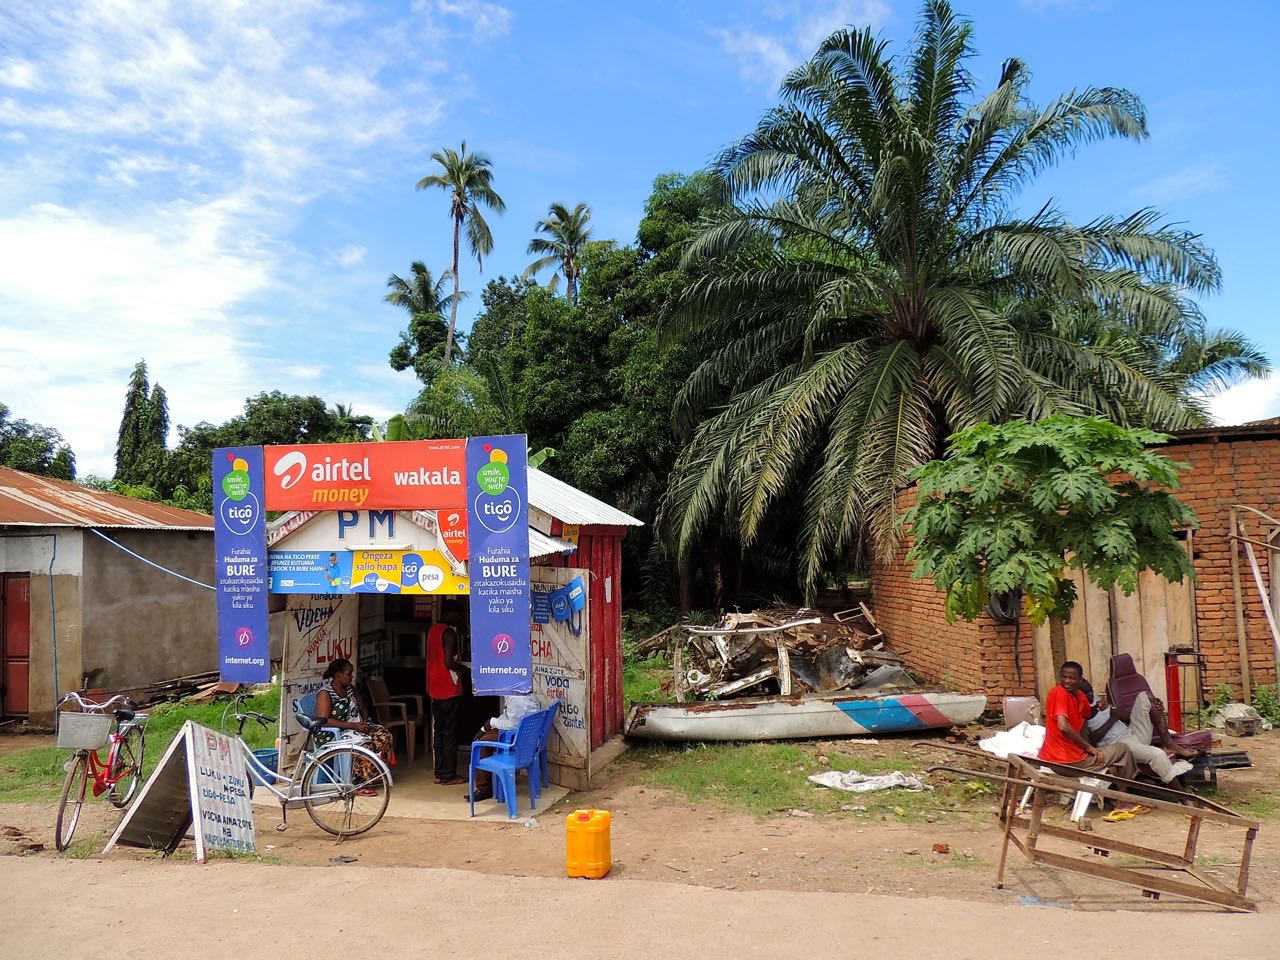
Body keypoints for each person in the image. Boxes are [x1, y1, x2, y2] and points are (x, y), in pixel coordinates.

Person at [1039, 661, 1138, 783]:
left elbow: (1088, 714)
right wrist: (1089, 748)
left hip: (1070, 757)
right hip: (1066, 762)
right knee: (1123, 749)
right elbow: (1063, 726)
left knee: (1116, 751)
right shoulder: (1059, 693)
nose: (1067, 681)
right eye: (1064, 677)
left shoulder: (1080, 696)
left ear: (1080, 680)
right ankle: (1123, 797)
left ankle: (1117, 787)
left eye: (1072, 678)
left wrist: (1100, 706)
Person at [1087, 688, 1195, 788]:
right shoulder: (1081, 711)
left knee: (1145, 696)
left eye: (1091, 691)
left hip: (1131, 732)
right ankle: (1182, 797)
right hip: (1120, 745)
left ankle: (1168, 743)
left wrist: (1154, 707)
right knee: (1157, 754)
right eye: (1088, 693)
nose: (1092, 695)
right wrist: (1111, 719)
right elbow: (1091, 741)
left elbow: (1126, 718)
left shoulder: (1097, 700)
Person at [314, 658, 394, 783]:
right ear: (338, 675)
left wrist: (365, 721)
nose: (351, 677)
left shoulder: (350, 689)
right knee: (365, 745)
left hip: (354, 727)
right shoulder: (326, 693)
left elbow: (362, 707)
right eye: (348, 674)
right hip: (333, 733)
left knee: (384, 736)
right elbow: (324, 720)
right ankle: (359, 781)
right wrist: (353, 726)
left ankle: (375, 774)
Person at [465, 694, 541, 803]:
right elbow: (508, 717)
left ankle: (484, 788)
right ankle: (489, 782)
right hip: (524, 735)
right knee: (486, 735)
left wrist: (491, 722)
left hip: (518, 738)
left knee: (481, 743)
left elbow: (514, 724)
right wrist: (487, 726)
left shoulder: (516, 699)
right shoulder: (521, 692)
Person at [427, 606, 466, 785]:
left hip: (434, 688)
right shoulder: (449, 633)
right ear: (449, 614)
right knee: (450, 733)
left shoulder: (433, 630)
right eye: (458, 615)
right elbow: (449, 662)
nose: (460, 619)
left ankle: (439, 772)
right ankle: (448, 775)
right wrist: (464, 669)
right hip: (448, 688)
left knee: (439, 731)